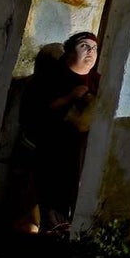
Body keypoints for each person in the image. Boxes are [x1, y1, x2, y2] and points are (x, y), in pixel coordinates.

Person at [18, 31, 102, 233]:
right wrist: (69, 98)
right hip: (50, 149)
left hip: (84, 153)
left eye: (94, 48)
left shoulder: (99, 82)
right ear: (69, 50)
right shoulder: (50, 78)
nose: (90, 51)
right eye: (84, 46)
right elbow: (34, 112)